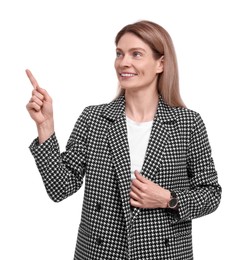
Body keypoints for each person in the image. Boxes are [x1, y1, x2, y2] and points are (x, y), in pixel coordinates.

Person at [26, 20, 222, 260]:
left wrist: (168, 199)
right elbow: (60, 188)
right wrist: (45, 126)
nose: (123, 62)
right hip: (100, 254)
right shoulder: (94, 118)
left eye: (136, 54)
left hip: (164, 254)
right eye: (119, 53)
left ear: (161, 64)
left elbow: (211, 194)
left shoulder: (187, 123)